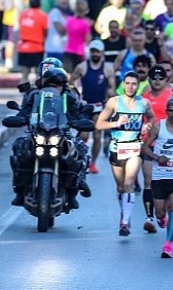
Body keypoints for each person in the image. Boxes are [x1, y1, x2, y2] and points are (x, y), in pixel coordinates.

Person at [10, 66, 92, 209]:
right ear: (45, 85)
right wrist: (20, 118)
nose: (55, 88)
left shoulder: (69, 97)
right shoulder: (36, 96)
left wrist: (79, 121)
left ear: (63, 86)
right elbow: (25, 112)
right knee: (19, 147)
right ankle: (19, 189)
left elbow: (77, 113)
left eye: (59, 85)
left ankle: (74, 191)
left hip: (61, 133)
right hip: (40, 132)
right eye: (51, 85)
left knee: (80, 149)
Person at [95, 71, 156, 236]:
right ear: (123, 84)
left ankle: (125, 222)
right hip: (117, 148)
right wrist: (116, 123)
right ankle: (124, 213)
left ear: (138, 85)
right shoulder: (114, 102)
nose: (130, 87)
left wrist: (147, 126)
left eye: (134, 84)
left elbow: (151, 118)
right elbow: (100, 124)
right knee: (121, 186)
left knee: (130, 182)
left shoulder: (144, 103)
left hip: (135, 148)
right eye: (127, 83)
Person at [141, 98, 173, 258]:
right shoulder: (159, 127)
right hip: (160, 176)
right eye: (171, 110)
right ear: (166, 112)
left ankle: (168, 246)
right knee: (160, 213)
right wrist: (157, 158)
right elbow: (144, 147)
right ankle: (160, 219)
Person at [70, 39, 116, 174]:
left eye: (97, 52)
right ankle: (80, 156)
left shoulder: (107, 68)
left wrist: (111, 97)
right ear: (90, 52)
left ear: (102, 53)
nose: (95, 54)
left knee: (97, 136)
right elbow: (71, 83)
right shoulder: (82, 67)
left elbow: (111, 87)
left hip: (99, 107)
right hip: (85, 105)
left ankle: (93, 164)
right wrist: (76, 96)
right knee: (84, 134)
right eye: (93, 51)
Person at [141, 65, 173, 233]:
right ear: (149, 80)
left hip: (168, 146)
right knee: (148, 181)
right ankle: (149, 218)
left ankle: (163, 215)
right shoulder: (143, 99)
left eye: (160, 78)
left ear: (166, 80)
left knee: (167, 183)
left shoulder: (172, 97)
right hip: (149, 145)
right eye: (153, 78)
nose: (157, 81)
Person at [18, 0, 49, 83]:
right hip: (37, 47)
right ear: (40, 3)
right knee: (37, 74)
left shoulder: (23, 14)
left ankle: (24, 94)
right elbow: (46, 32)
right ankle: (36, 94)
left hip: (23, 47)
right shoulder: (43, 16)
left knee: (24, 75)